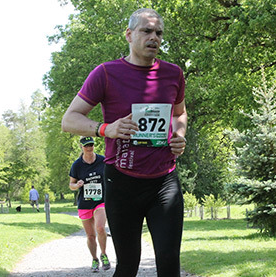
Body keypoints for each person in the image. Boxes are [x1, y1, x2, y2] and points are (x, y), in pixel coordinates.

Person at [61, 8, 187, 277]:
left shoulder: (173, 74)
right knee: (128, 264)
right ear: (129, 35)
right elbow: (69, 119)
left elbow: (179, 113)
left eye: (159, 33)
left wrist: (180, 134)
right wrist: (106, 128)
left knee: (168, 261)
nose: (154, 37)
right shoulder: (106, 73)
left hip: (164, 182)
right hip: (122, 181)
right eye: (146, 31)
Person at [69, 136, 111, 272]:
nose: (89, 147)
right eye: (86, 145)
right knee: (90, 236)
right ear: (81, 147)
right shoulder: (77, 165)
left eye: (91, 145)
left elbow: (112, 174)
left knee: (100, 227)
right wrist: (77, 185)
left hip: (101, 201)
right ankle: (94, 259)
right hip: (85, 202)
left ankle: (104, 254)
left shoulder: (102, 160)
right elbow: (71, 184)